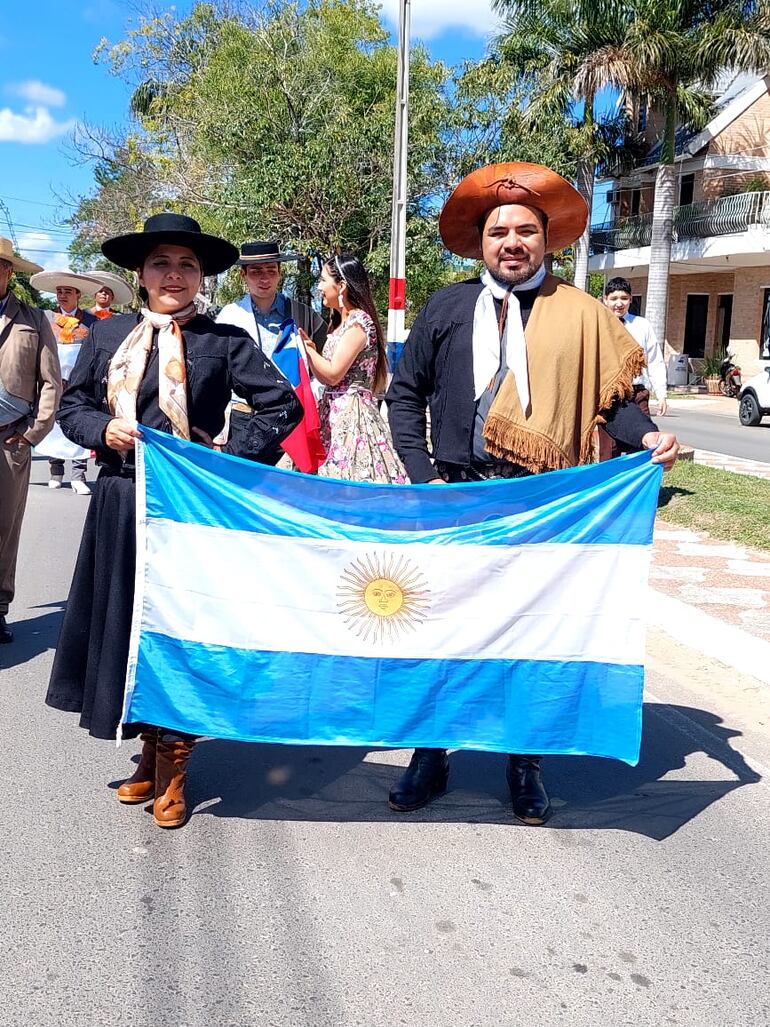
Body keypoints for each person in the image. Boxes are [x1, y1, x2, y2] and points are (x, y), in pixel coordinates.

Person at [386, 162, 679, 825]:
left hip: (545, 504)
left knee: (533, 638)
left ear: (546, 240)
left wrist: (649, 437)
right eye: (499, 232)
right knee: (446, 635)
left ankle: (525, 763)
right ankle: (432, 753)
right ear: (480, 242)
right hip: (456, 500)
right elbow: (405, 396)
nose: (511, 242)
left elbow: (615, 407)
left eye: (525, 230)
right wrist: (423, 476)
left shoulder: (581, 315)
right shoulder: (448, 306)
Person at [45, 213, 302, 828]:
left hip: (187, 513)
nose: (175, 275)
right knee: (127, 632)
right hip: (120, 499)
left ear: (201, 277)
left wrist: (221, 452)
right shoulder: (109, 337)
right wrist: (102, 431)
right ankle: (146, 754)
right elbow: (75, 405)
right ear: (140, 273)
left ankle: (176, 767)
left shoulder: (224, 340)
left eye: (187, 265)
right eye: (162, 262)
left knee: (178, 634)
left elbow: (282, 405)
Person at [0, 238, 62, 644]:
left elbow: (51, 382)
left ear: (8, 271)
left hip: (9, 438)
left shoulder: (33, 318)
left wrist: (32, 433)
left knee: (5, 526)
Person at [216, 241, 327, 452]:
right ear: (243, 275)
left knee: (288, 483)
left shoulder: (305, 316)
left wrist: (311, 394)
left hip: (293, 419)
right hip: (244, 417)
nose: (264, 278)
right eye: (256, 272)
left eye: (270, 271)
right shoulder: (229, 317)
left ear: (280, 273)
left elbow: (323, 365)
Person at [304, 253, 406, 483]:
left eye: (322, 280)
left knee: (351, 476)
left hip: (352, 416)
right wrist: (309, 350)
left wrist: (308, 350)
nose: (319, 287)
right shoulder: (341, 325)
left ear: (341, 286)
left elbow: (332, 374)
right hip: (333, 412)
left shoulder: (359, 322)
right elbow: (326, 377)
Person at [30, 270, 101, 495]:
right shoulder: (46, 318)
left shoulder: (91, 322)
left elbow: (95, 354)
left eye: (67, 291)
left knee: (78, 424)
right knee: (53, 426)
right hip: (52, 382)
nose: (62, 295)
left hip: (79, 383)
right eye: (59, 291)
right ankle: (55, 471)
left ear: (78, 295)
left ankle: (78, 474)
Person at [603, 276, 668, 416]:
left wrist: (661, 394)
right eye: (614, 299)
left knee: (643, 435)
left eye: (624, 298)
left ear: (631, 299)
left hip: (637, 394)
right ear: (605, 299)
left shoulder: (642, 325)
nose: (619, 303)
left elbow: (655, 360)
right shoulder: (599, 325)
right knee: (608, 438)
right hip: (608, 394)